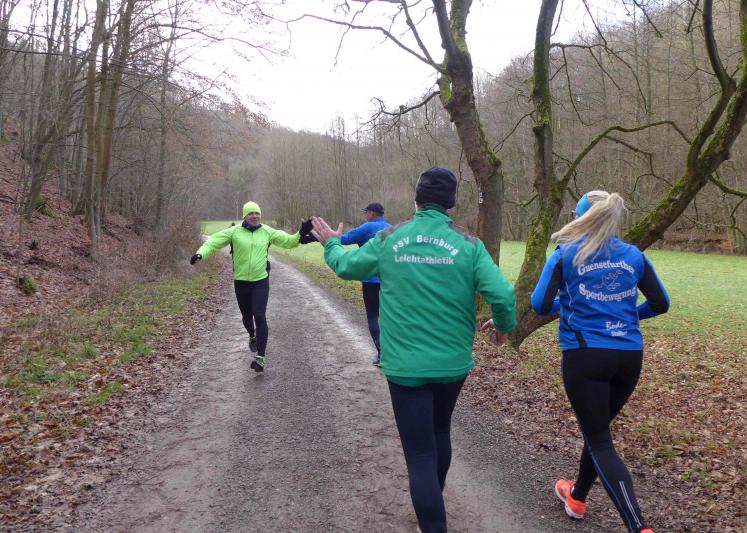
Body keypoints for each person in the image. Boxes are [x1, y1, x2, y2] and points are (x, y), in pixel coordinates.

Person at [310, 166, 516, 533]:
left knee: (420, 452)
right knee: (440, 431)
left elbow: (345, 266)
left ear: (416, 199)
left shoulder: (390, 238)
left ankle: (430, 516)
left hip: (405, 367)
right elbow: (502, 294)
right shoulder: (470, 245)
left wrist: (331, 243)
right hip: (452, 364)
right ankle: (432, 500)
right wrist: (502, 325)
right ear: (451, 203)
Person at [530, 190, 669, 533]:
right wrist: (625, 316)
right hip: (629, 358)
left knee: (600, 441)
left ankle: (639, 527)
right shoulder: (634, 255)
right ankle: (577, 497)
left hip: (585, 356)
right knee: (597, 431)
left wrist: (570, 307)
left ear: (580, 218)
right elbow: (661, 303)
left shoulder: (565, 254)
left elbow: (539, 304)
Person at [190, 201, 314, 372]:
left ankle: (260, 357)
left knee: (260, 315)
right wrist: (200, 254)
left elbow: (289, 241)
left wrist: (301, 232)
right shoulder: (234, 232)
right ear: (244, 216)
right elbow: (213, 242)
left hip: (260, 280)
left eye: (257, 213)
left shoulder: (267, 231)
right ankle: (252, 335)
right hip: (241, 282)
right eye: (251, 213)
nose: (255, 216)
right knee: (247, 316)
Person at [339, 202, 391, 365]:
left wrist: (331, 235)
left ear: (372, 213)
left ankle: (382, 354)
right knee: (389, 317)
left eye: (366, 212)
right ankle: (394, 352)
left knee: (372, 317)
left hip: (370, 280)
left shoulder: (367, 227)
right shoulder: (392, 228)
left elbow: (344, 239)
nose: (365, 215)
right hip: (389, 280)